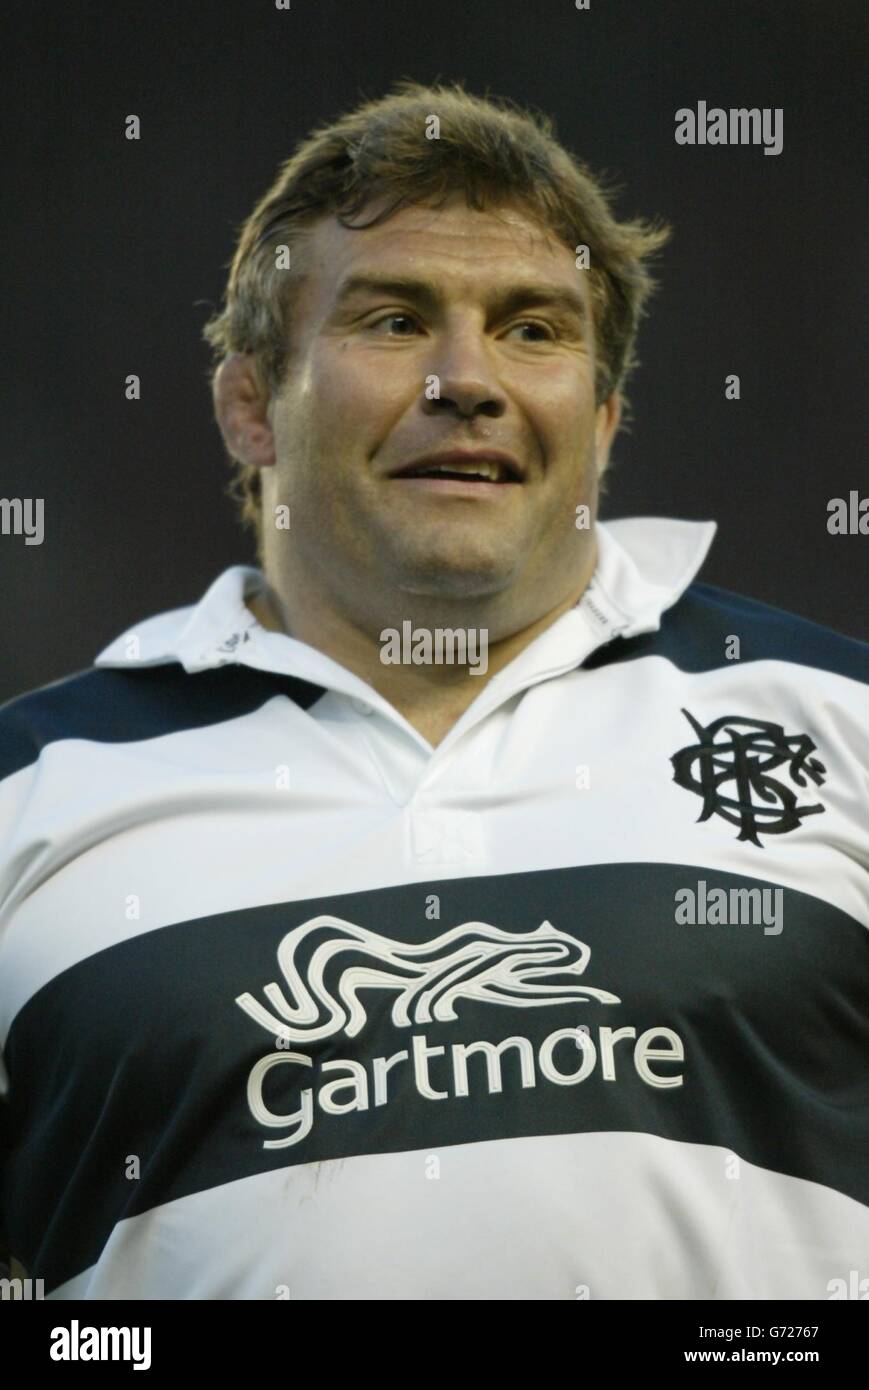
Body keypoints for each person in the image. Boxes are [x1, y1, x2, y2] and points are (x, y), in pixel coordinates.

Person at [0, 80, 866, 1302]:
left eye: (531, 328)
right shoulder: (27, 795)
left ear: (605, 417)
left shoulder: (841, 723)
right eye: (395, 320)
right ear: (250, 404)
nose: (466, 378)